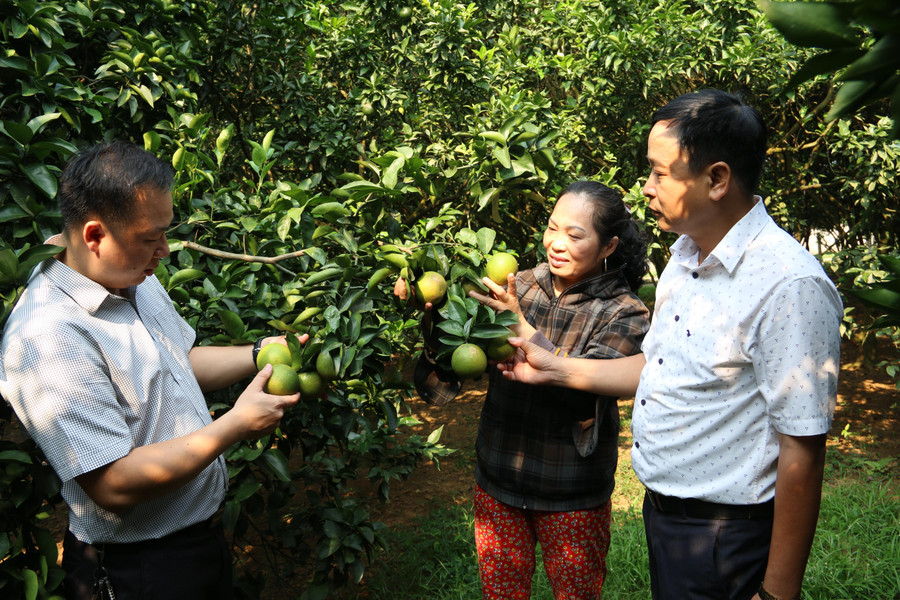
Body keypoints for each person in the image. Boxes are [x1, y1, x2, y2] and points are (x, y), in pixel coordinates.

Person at [497, 90, 843, 600]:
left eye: (660, 173)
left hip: (726, 536)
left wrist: (776, 593)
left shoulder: (789, 285)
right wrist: (555, 367)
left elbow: (803, 449)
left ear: (717, 179)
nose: (646, 188)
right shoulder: (685, 259)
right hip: (668, 520)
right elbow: (655, 366)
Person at [0, 141, 305, 600]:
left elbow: (178, 362)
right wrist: (236, 424)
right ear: (95, 235)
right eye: (150, 238)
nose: (164, 249)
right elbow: (113, 483)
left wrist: (259, 353)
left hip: (199, 544)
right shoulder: (48, 336)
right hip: (139, 571)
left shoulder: (131, 275)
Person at [401, 181, 650, 599]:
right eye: (552, 228)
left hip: (571, 493)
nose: (556, 243)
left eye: (575, 235)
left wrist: (521, 326)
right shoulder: (518, 287)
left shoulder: (624, 312)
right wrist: (434, 321)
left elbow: (590, 390)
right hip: (498, 481)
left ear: (608, 246)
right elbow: (446, 381)